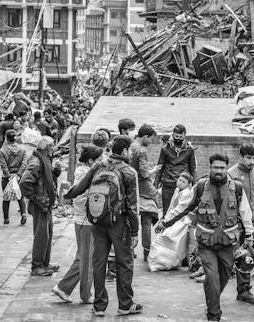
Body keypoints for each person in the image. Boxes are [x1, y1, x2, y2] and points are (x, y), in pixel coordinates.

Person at [155, 154, 254, 322]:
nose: (218, 171)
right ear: (209, 168)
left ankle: (211, 303)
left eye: (222, 168)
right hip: (206, 245)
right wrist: (165, 223)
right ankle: (214, 315)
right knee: (213, 279)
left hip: (227, 244)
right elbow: (183, 208)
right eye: (215, 167)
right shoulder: (200, 187)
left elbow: (245, 213)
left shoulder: (236, 188)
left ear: (226, 169)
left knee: (221, 280)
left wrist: (250, 235)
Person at [64, 135, 142, 317]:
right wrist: (135, 230)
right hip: (119, 223)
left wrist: (66, 195)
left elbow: (80, 187)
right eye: (129, 150)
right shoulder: (130, 172)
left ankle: (99, 305)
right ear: (124, 151)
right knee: (124, 262)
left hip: (98, 220)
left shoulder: (99, 165)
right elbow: (132, 205)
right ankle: (125, 304)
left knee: (99, 261)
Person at [52, 145, 103, 304]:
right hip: (85, 221)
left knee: (82, 257)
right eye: (99, 159)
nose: (102, 161)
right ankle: (85, 294)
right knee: (87, 259)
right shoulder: (85, 175)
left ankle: (63, 287)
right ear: (90, 161)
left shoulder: (85, 173)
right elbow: (82, 199)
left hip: (82, 220)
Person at [227, 142, 254, 306]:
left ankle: (244, 291)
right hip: (234, 223)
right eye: (248, 158)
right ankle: (214, 286)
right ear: (240, 157)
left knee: (247, 258)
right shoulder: (230, 174)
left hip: (251, 222)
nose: (251, 161)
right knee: (227, 257)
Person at [19, 136, 59, 276]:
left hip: (46, 203)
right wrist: (37, 198)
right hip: (40, 204)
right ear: (47, 148)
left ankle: (44, 263)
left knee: (47, 234)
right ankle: (37, 266)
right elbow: (25, 182)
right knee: (41, 235)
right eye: (52, 146)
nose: (53, 149)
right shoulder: (37, 162)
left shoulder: (45, 159)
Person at [129, 124, 160, 261]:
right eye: (151, 139)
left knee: (129, 221)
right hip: (143, 189)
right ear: (145, 137)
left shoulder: (131, 146)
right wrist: (154, 171)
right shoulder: (142, 150)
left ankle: (129, 250)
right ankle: (147, 252)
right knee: (146, 221)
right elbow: (144, 172)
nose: (151, 142)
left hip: (130, 188)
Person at [156, 124, 196, 216]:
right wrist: (156, 184)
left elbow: (193, 168)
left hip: (183, 184)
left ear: (185, 135)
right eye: (176, 136)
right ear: (173, 135)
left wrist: (194, 186)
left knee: (181, 211)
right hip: (168, 183)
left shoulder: (190, 149)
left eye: (180, 137)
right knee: (167, 212)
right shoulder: (165, 148)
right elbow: (160, 167)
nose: (178, 139)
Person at [0, 129, 28, 226]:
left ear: (6, 138)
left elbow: (3, 165)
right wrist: (19, 174)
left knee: (6, 198)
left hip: (7, 177)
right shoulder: (22, 149)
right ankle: (23, 213)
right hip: (19, 177)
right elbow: (24, 164)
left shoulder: (3, 150)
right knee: (20, 196)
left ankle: (6, 218)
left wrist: (8, 176)